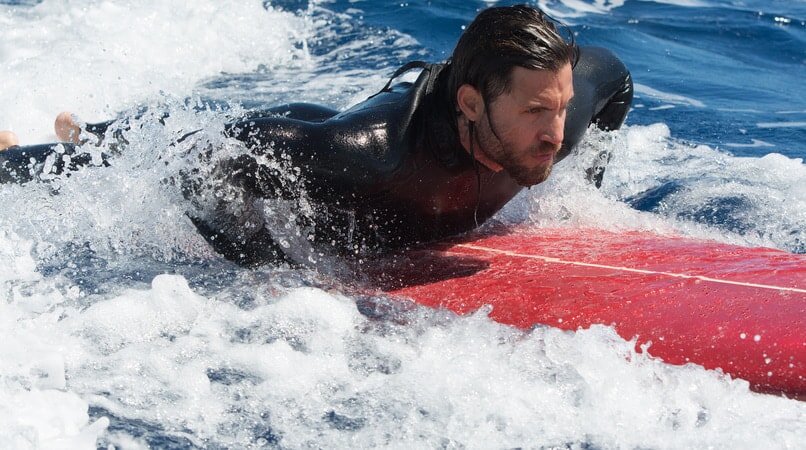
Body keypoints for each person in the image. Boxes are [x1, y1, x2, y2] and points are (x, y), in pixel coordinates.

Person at [0, 5, 633, 267]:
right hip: (313, 140)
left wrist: (578, 201)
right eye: (535, 113)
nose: (555, 133)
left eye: (561, 108)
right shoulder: (375, 156)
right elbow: (209, 158)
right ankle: (58, 144)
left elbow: (618, 81)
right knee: (139, 148)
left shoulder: (551, 121)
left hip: (323, 129)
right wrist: (270, 263)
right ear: (471, 103)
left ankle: (83, 130)